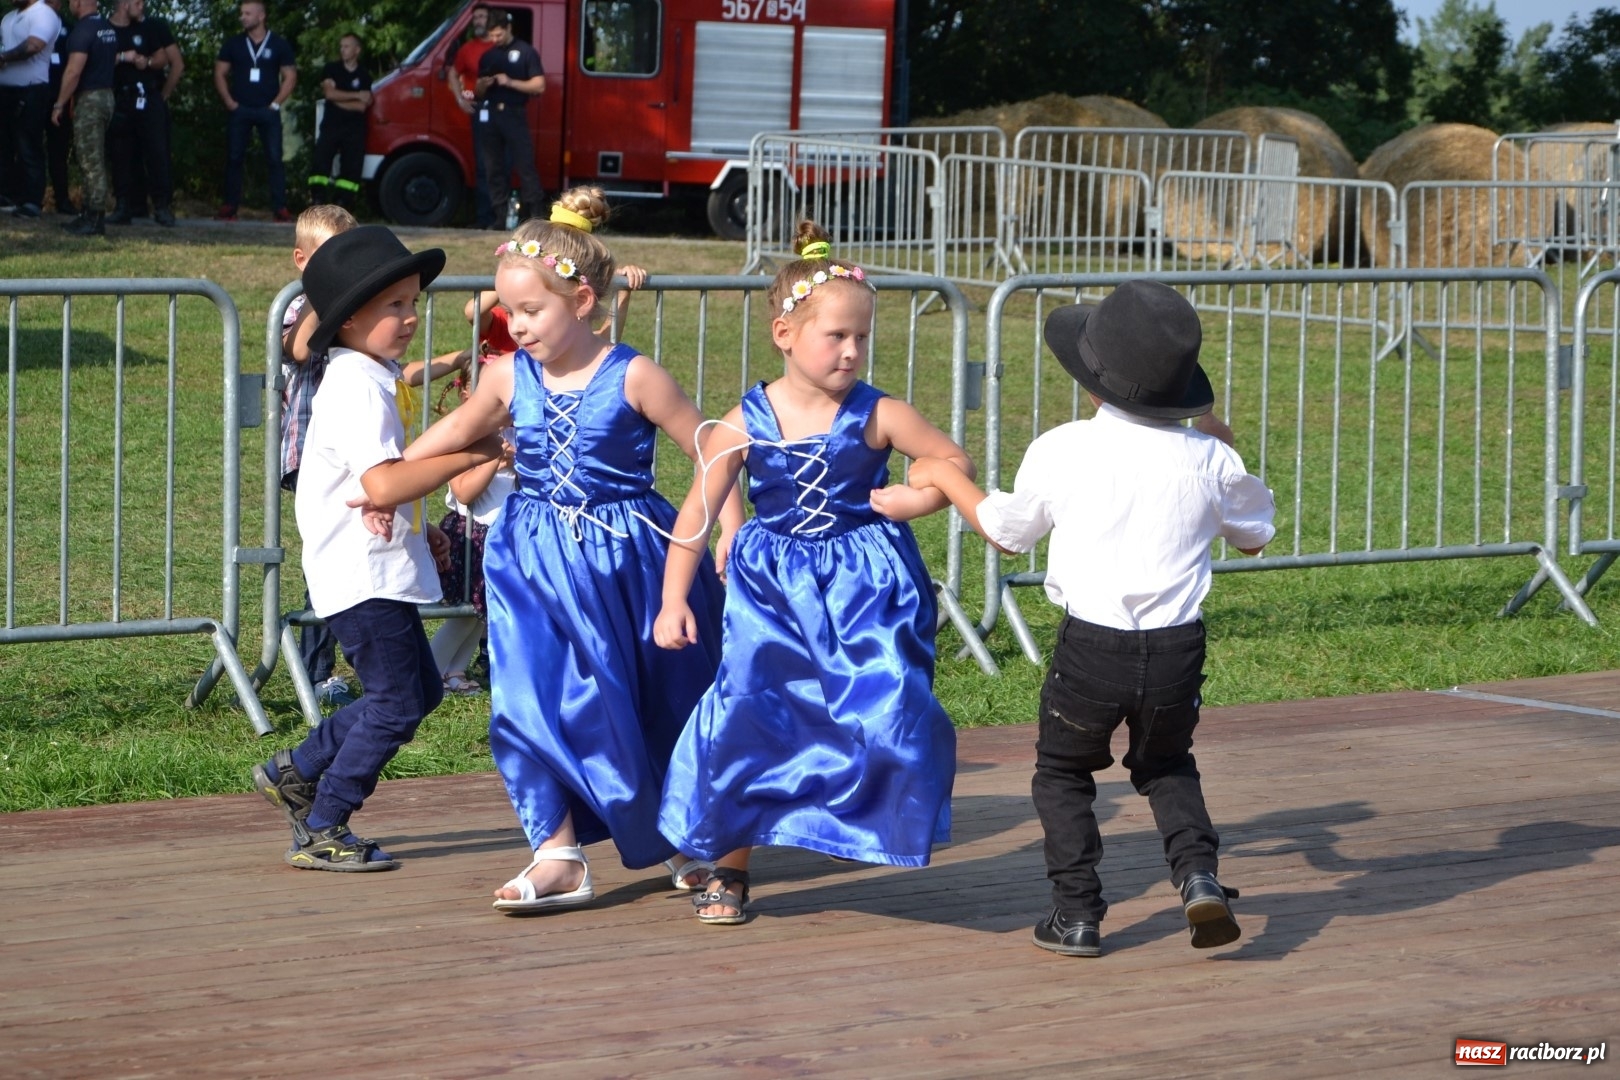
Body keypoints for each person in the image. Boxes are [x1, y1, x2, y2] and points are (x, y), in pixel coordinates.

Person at [905, 279, 1276, 958]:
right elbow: (1254, 536)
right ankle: (1199, 877)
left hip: (1090, 650)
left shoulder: (1065, 448)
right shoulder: (1211, 459)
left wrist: (943, 475)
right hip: (1174, 649)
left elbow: (1008, 532)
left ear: (1096, 383)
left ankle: (1077, 914)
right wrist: (1223, 444)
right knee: (1167, 764)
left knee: (1062, 773)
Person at [398, 189, 736, 912]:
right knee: (525, 702)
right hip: (529, 560)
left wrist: (727, 522)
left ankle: (681, 835)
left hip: (625, 562)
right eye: (507, 312)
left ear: (581, 300)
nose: (515, 326)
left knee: (636, 702)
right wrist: (383, 484)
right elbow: (453, 435)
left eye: (531, 311)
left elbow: (710, 447)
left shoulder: (634, 374)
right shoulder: (504, 376)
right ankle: (556, 853)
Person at [654, 223, 968, 925]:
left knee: (888, 705)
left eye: (862, 337)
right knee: (746, 716)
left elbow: (953, 462)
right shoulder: (744, 421)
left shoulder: (879, 411)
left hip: (867, 588)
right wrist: (675, 597)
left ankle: (854, 821)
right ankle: (728, 867)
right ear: (785, 333)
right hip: (773, 590)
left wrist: (919, 495)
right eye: (836, 337)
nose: (852, 351)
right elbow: (697, 513)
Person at [251, 224, 501, 872]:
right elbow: (382, 483)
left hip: (373, 567)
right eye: (393, 306)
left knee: (419, 690)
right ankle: (324, 820)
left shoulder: (371, 374)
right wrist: (474, 453)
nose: (409, 318)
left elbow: (387, 478)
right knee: (396, 702)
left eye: (412, 303)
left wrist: (432, 533)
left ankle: (299, 769)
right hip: (358, 574)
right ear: (350, 317)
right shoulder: (359, 384)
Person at [213, 0, 295, 223]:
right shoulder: (234, 44)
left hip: (268, 110)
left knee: (275, 159)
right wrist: (229, 102)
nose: (243, 17)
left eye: (247, 13)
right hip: (241, 109)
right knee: (234, 157)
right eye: (241, 13)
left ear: (261, 16)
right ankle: (230, 207)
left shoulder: (278, 44)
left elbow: (290, 76)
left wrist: (276, 103)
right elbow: (220, 72)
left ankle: (280, 208)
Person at [105, 0, 179, 227]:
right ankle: (123, 205)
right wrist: (121, 58)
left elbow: (162, 59)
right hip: (120, 99)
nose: (142, 6)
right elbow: (95, 60)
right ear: (124, 4)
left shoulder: (147, 28)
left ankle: (162, 206)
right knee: (121, 153)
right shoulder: (106, 30)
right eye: (138, 2)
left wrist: (145, 61)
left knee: (157, 152)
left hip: (147, 97)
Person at [473, 8, 543, 230]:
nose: (494, 39)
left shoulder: (526, 52)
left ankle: (536, 217)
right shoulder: (488, 55)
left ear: (508, 28)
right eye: (491, 35)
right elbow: (478, 91)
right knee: (493, 167)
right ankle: (499, 217)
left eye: (498, 35)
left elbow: (539, 85)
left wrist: (510, 81)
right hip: (491, 114)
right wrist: (483, 85)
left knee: (524, 165)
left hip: (514, 113)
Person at [50, 0, 114, 236]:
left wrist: (60, 103)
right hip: (107, 95)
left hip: (90, 99)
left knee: (90, 160)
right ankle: (88, 213)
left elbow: (74, 71)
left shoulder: (82, 31)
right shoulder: (106, 27)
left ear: (78, 3)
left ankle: (95, 218)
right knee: (93, 156)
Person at [0, 0, 61, 219]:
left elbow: (34, 45)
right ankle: (7, 194)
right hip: (5, 90)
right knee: (5, 146)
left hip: (31, 90)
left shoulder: (43, 14)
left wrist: (4, 57)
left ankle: (32, 200)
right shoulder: (8, 18)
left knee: (28, 146)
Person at [446, 5, 498, 229]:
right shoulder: (467, 49)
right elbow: (452, 72)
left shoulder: (500, 46)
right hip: (480, 113)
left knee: (502, 166)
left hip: (505, 112)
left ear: (491, 20)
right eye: (475, 17)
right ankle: (485, 218)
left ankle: (502, 218)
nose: (477, 20)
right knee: (483, 166)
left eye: (482, 16)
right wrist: (460, 99)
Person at [307, 30, 369, 210]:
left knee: (351, 167)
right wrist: (356, 96)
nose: (343, 50)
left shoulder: (364, 74)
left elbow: (362, 106)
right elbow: (329, 93)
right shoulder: (331, 69)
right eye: (341, 46)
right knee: (321, 162)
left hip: (354, 130)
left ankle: (343, 204)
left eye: (347, 46)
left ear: (357, 50)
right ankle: (317, 199)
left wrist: (338, 98)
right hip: (331, 126)